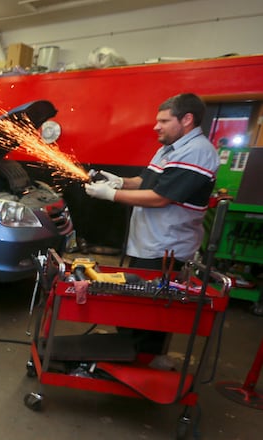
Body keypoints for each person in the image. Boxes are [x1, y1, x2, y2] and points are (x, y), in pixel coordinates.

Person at [84, 92, 219, 355]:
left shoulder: (197, 152)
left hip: (166, 249)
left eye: (164, 121)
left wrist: (111, 195)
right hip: (148, 244)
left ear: (187, 119)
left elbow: (160, 198)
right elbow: (145, 182)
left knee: (150, 313)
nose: (156, 126)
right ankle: (127, 355)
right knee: (133, 306)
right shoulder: (168, 148)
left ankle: (143, 362)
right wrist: (119, 182)